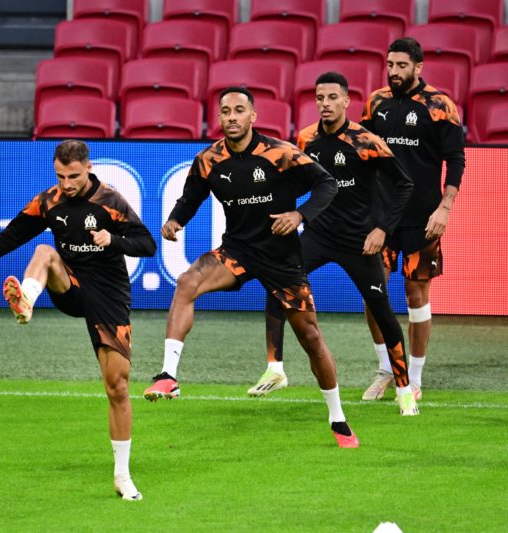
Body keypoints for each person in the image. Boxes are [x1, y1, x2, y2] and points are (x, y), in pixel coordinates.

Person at [143, 86, 360, 448]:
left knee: (311, 338)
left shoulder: (281, 153)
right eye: (225, 111)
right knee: (186, 283)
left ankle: (338, 419)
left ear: (252, 116)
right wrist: (174, 220)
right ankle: (168, 375)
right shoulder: (209, 160)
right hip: (238, 252)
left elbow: (327, 183)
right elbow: (190, 198)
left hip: (282, 259)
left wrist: (299, 214)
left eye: (239, 110)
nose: (231, 117)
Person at [0, 140, 155, 501]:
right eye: (60, 175)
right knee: (44, 251)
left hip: (108, 295)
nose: (67, 183)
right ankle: (25, 301)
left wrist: (113, 239)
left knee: (117, 387)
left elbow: (147, 244)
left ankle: (121, 475)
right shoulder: (48, 201)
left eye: (73, 176)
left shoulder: (111, 202)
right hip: (69, 285)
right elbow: (13, 235)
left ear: (88, 168)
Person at [251, 72, 419, 416]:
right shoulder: (307, 139)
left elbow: (404, 185)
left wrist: (382, 230)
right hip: (318, 235)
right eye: (319, 98)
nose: (324, 104)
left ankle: (404, 389)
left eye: (331, 98)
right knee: (276, 287)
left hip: (360, 241)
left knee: (382, 311)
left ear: (346, 101)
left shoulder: (366, 140)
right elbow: (297, 181)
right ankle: (275, 368)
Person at [359, 37, 466, 401]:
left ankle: (415, 378)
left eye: (401, 66)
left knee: (416, 295)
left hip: (423, 218)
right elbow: (362, 154)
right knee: (372, 292)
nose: (394, 72)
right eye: (390, 65)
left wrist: (445, 207)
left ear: (418, 67)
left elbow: (456, 160)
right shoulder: (376, 103)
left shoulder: (439, 106)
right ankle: (386, 369)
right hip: (380, 219)